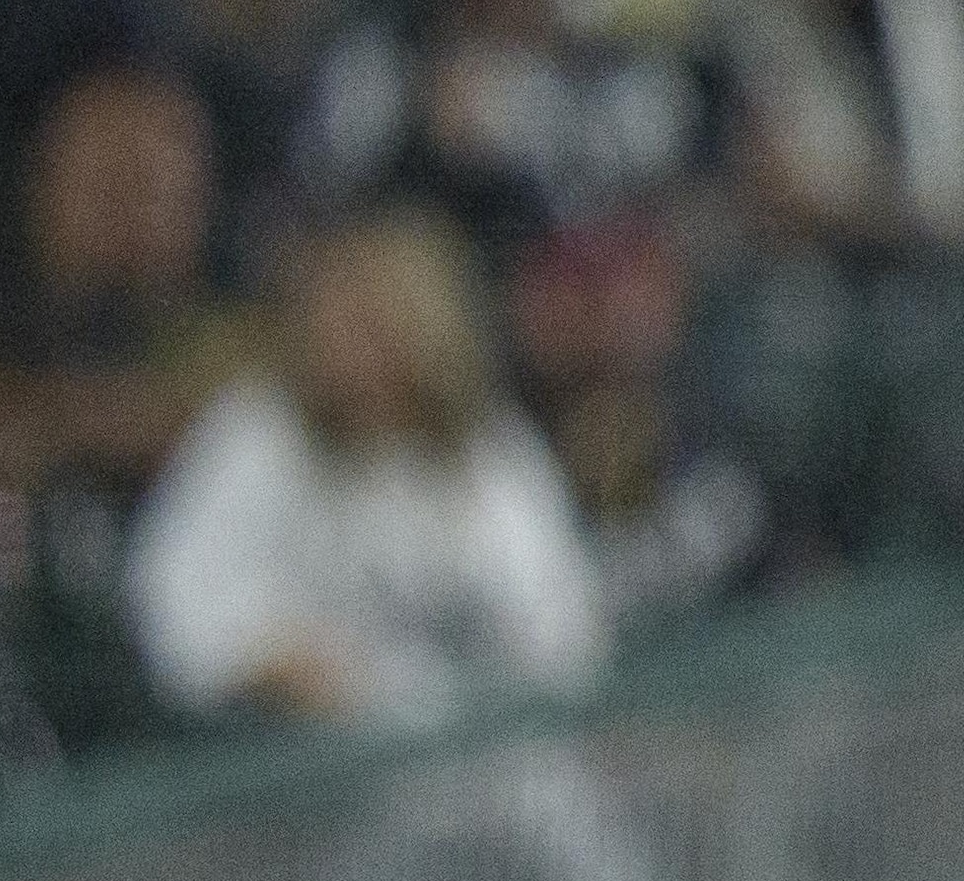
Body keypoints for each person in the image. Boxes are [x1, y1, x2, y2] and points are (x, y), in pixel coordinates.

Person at [124, 204, 605, 729]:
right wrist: (267, 661)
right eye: (332, 315)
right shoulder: (259, 436)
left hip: (495, 754)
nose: (346, 341)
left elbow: (564, 625)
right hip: (319, 759)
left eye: (369, 315)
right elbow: (177, 597)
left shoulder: (494, 451)